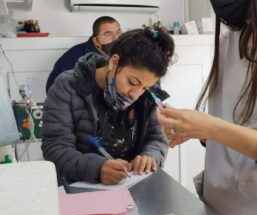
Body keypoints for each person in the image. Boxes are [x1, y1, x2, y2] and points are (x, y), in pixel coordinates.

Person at [157, 0, 257, 215]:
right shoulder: (228, 39)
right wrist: (196, 130)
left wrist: (210, 128)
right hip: (217, 197)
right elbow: (233, 123)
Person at [41, 27, 174, 185]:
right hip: (82, 188)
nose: (135, 94)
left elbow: (157, 138)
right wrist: (97, 168)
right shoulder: (68, 86)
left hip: (132, 185)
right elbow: (55, 147)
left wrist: (150, 157)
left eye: (145, 87)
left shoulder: (148, 96)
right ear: (114, 62)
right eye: (132, 82)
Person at [45, 16, 121, 92]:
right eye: (108, 34)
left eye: (118, 32)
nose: (115, 38)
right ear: (95, 39)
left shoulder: (120, 53)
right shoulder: (75, 56)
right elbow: (53, 88)